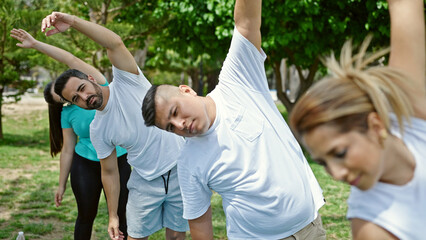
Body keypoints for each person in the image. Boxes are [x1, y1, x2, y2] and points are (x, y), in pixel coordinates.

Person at [142, 0, 325, 239]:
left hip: (311, 228)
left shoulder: (237, 80)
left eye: (175, 112)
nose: (180, 125)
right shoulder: (189, 162)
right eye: (170, 127)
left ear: (186, 90)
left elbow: (246, 21)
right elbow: (200, 226)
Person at [40, 11, 189, 240]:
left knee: (177, 236)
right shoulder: (98, 129)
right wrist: (112, 216)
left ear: (90, 79)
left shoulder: (127, 80)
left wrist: (72, 21)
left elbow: (114, 43)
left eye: (81, 89)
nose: (84, 98)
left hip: (180, 168)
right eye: (75, 99)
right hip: (144, 180)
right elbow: (109, 173)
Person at [289, 0, 425, 239]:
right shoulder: (372, 227)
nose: (336, 173)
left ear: (376, 125)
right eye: (323, 163)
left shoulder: (412, 110)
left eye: (339, 153)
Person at [10, 28, 131, 239]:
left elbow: (70, 59)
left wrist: (36, 44)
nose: (75, 96)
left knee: (124, 215)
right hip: (86, 164)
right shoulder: (69, 112)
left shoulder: (96, 88)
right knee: (85, 216)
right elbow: (67, 150)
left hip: (119, 159)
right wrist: (61, 183)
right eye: (63, 97)